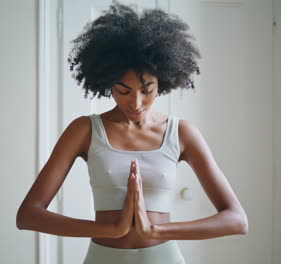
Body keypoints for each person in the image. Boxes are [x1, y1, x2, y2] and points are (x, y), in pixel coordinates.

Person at [16, 2, 248, 263]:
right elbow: (27, 216)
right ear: (106, 83)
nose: (135, 104)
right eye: (123, 91)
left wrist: (155, 230)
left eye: (146, 90)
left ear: (164, 80)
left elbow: (237, 220)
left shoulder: (181, 133)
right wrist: (111, 230)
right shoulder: (84, 130)